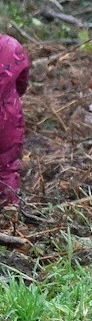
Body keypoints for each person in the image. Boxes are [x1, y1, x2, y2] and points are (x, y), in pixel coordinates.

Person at [0, 34, 26, 206]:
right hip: (8, 114)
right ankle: (9, 210)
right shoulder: (11, 45)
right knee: (7, 166)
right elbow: (22, 82)